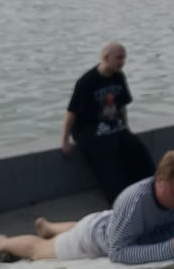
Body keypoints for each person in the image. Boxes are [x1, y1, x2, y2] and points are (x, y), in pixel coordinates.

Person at [0, 151, 174, 268]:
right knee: (39, 250)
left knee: (95, 223)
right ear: (160, 180)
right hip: (94, 239)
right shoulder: (135, 201)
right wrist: (169, 250)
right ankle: (2, 242)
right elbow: (118, 252)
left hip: (110, 222)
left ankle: (50, 227)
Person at [62, 42, 156, 204]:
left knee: (139, 153)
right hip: (90, 131)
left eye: (124, 58)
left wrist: (126, 128)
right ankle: (121, 202)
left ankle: (152, 193)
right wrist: (65, 140)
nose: (122, 62)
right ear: (106, 58)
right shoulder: (87, 81)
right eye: (119, 58)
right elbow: (72, 112)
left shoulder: (119, 77)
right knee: (109, 162)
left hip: (114, 126)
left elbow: (122, 106)